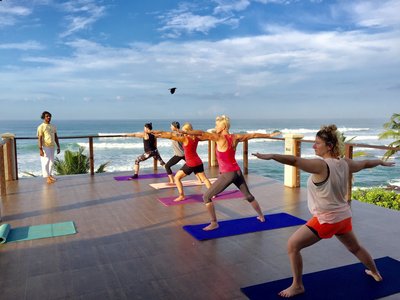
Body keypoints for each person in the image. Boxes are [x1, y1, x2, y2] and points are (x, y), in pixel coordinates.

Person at [253, 124, 394, 298]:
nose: (313, 146)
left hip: (327, 220)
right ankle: (375, 273)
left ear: (329, 146)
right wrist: (380, 161)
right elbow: (364, 163)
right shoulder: (345, 163)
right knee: (355, 248)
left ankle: (297, 285)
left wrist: (272, 156)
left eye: (317, 143)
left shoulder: (321, 166)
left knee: (292, 245)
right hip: (343, 217)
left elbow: (295, 161)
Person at [185, 115, 281, 231]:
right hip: (237, 172)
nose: (215, 126)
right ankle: (261, 216)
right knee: (248, 196)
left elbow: (201, 133)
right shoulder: (236, 137)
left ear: (223, 126)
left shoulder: (219, 138)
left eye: (217, 125)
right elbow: (253, 135)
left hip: (228, 174)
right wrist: (269, 135)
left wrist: (184, 131)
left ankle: (214, 222)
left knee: (206, 196)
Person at [152, 122, 212, 201]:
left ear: (187, 131)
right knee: (204, 179)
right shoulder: (196, 138)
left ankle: (182, 195)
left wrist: (160, 135)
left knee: (177, 178)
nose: (182, 132)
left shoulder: (185, 139)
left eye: (183, 130)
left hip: (191, 163)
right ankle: (212, 193)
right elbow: (206, 136)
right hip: (198, 161)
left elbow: (170, 136)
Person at [37, 111, 60, 184]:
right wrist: (40, 149)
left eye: (49, 116)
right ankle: (47, 177)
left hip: (52, 146)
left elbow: (56, 137)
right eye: (47, 116)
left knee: (52, 162)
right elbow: (40, 138)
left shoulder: (53, 126)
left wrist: (58, 146)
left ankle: (50, 175)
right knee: (46, 161)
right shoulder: (41, 127)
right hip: (45, 146)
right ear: (44, 117)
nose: (49, 117)